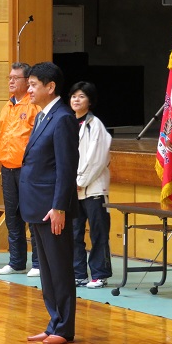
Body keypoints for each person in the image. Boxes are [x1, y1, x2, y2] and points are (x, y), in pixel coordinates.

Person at [19, 62, 79, 344]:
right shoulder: (43, 116)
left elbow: (66, 168)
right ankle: (53, 321)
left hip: (52, 208)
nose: (28, 89)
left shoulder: (63, 117)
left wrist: (60, 207)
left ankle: (65, 328)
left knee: (60, 269)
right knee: (46, 270)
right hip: (36, 205)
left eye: (32, 85)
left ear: (50, 87)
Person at [0, 62, 41, 277]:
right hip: (7, 167)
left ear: (27, 81)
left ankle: (39, 263)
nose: (11, 81)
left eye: (16, 78)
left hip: (27, 170)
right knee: (12, 217)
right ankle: (16, 261)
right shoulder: (7, 107)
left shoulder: (34, 107)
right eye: (9, 78)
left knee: (32, 216)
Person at [69, 81, 113, 288]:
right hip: (72, 190)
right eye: (74, 96)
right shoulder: (67, 122)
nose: (76, 100)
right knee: (74, 233)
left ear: (90, 101)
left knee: (98, 232)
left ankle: (100, 274)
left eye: (81, 96)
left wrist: (80, 181)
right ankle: (78, 273)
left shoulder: (96, 126)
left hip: (94, 189)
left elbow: (97, 159)